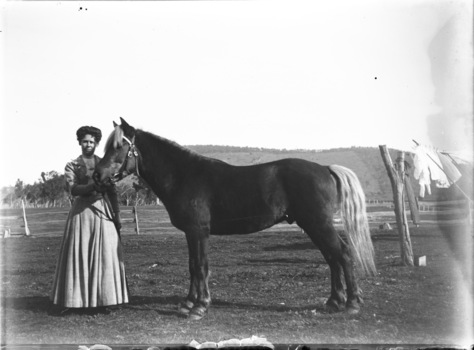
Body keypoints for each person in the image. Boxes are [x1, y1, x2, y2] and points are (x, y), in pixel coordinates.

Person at [49, 126, 129, 315]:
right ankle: (73, 300)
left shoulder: (103, 163)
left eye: (92, 142)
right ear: (80, 142)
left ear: (97, 144)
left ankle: (105, 299)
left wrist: (117, 216)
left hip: (102, 210)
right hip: (81, 213)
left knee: (106, 253)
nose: (88, 145)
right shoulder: (72, 165)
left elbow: (112, 191)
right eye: (85, 141)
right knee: (79, 254)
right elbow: (74, 189)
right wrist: (94, 185)